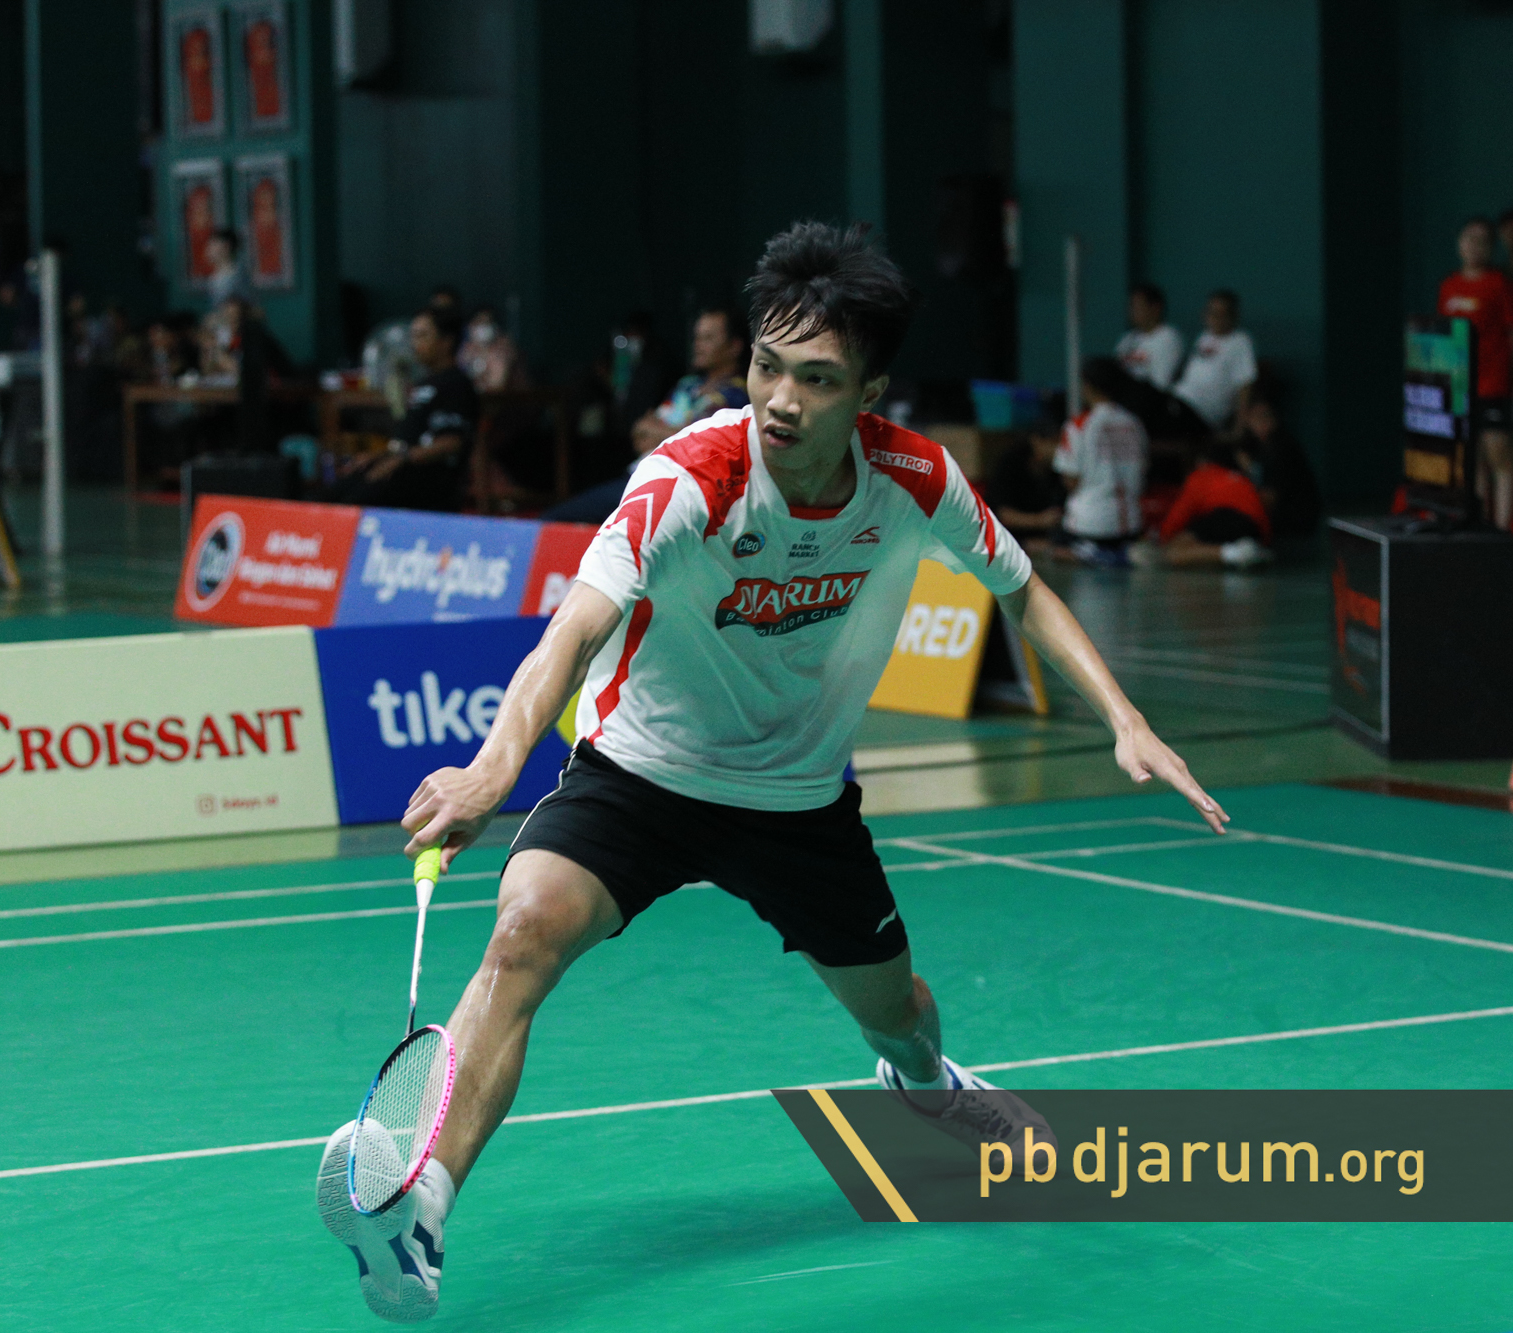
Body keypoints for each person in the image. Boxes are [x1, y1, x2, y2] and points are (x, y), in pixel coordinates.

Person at [315, 222, 1228, 1322]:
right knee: (522, 934)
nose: (781, 400)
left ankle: (924, 1088)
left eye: (817, 378)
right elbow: (571, 631)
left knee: (898, 1011)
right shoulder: (689, 478)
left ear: (868, 393)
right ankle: (419, 1211)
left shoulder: (912, 476)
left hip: (797, 801)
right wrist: (494, 765)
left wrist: (1125, 718)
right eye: (765, 365)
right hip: (641, 774)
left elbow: (1020, 585)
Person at [545, 307, 750, 523]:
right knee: (558, 517)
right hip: (641, 475)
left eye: (708, 338)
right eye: (697, 337)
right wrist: (672, 434)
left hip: (679, 488)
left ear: (734, 346)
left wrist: (663, 435)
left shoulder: (736, 395)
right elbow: (641, 430)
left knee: (557, 518)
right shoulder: (688, 385)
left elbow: (698, 447)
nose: (698, 345)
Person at [328, 305, 477, 511]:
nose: (414, 344)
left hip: (426, 480)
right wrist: (379, 456)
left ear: (446, 341)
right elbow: (408, 440)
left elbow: (451, 443)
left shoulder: (457, 384)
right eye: (413, 336)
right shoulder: (424, 383)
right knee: (327, 496)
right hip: (399, 467)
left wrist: (399, 460)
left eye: (422, 336)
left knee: (350, 504)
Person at [1439, 216, 1513, 528]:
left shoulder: (1499, 284)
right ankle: (1480, 528)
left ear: (1490, 248)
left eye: (1482, 241)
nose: (1474, 246)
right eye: (1468, 239)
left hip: (1493, 383)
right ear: (1459, 244)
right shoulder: (1449, 286)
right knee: (1473, 461)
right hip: (1460, 385)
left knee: (1499, 455)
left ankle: (1503, 530)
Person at [1053, 356, 1147, 567]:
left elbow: (1070, 480)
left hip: (1089, 525)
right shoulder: (1134, 424)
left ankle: (1094, 554)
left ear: (1087, 386)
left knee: (1054, 547)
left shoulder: (1079, 425)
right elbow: (1143, 471)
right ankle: (1118, 555)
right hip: (1131, 524)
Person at [1137, 441, 1272, 569]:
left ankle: (1237, 553)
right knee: (1199, 551)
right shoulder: (1239, 478)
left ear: (1201, 461)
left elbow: (1178, 516)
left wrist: (1162, 541)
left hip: (1227, 516)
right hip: (1255, 531)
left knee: (1173, 552)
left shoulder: (1201, 476)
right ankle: (1242, 551)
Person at [1231, 379, 1320, 541]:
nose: (1262, 423)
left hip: (1294, 525)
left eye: (1266, 416)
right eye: (1256, 417)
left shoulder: (1282, 448)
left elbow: (1268, 500)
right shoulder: (1251, 447)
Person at [1171, 289, 1257, 431]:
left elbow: (1245, 386)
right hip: (1178, 401)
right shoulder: (1204, 337)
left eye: (1221, 313)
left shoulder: (1240, 341)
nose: (1215, 317)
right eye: (1211, 312)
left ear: (1232, 316)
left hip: (1203, 413)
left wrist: (1239, 429)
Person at [988, 398, 1068, 545]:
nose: (1058, 449)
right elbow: (1003, 514)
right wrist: (1040, 520)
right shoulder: (1011, 463)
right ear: (1036, 440)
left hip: (1050, 540)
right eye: (1054, 442)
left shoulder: (1060, 470)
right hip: (1010, 540)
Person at [1115, 282, 1183, 390]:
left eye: (1138, 306)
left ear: (1155, 308)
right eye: (1131, 306)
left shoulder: (1169, 337)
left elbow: (1160, 384)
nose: (1133, 311)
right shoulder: (1128, 338)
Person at [458, 307, 527, 392]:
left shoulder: (504, 349)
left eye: (487, 322)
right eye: (479, 321)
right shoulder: (465, 350)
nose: (483, 326)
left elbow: (499, 383)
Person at [204, 228, 246, 308]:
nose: (208, 250)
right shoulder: (214, 277)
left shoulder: (238, 276)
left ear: (226, 246)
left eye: (213, 245)